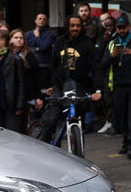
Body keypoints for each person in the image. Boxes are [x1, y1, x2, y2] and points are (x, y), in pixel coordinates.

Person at [39, 15, 102, 145]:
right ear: (67, 27)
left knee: (79, 123)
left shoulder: (87, 44)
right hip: (59, 86)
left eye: (78, 26)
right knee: (51, 120)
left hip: (79, 86)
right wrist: (51, 85)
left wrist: (97, 90)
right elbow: (53, 65)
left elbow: (96, 69)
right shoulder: (59, 42)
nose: (75, 28)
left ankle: (78, 152)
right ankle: (41, 148)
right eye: (72, 25)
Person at [104, 15, 131, 159]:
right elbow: (102, 64)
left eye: (123, 27)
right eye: (119, 28)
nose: (121, 30)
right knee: (121, 117)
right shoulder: (112, 43)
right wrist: (112, 56)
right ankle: (125, 142)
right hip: (118, 86)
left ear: (128, 27)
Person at [10, 28, 43, 127]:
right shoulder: (6, 54)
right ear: (10, 39)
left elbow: (37, 77)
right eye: (16, 37)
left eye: (21, 38)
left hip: (26, 96)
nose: (19, 39)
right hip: (10, 96)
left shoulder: (29, 55)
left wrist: (38, 97)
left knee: (22, 125)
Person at [25, 13, 56, 88]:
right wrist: (35, 49)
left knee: (44, 88)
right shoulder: (28, 34)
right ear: (35, 21)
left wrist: (37, 36)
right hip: (30, 65)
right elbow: (25, 48)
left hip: (44, 66)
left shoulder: (49, 34)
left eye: (44, 19)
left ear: (46, 22)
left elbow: (43, 47)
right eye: (40, 19)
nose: (42, 21)